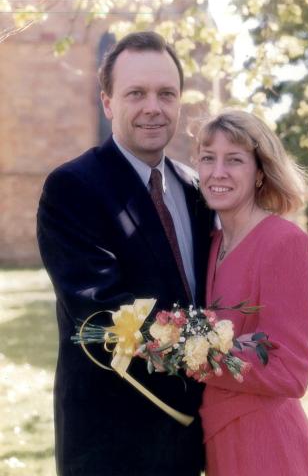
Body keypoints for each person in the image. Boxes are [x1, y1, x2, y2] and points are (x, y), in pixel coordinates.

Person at [37, 31, 213, 476]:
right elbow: (102, 316)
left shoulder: (198, 189)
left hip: (192, 441)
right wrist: (214, 347)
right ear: (108, 102)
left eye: (166, 94)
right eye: (136, 93)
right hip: (110, 446)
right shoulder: (73, 188)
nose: (153, 106)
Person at [196, 110, 308, 475]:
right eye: (207, 159)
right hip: (217, 439)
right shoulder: (209, 243)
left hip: (266, 445)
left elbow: (290, 369)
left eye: (234, 160)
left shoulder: (285, 243)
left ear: (260, 172)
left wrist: (190, 355)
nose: (218, 172)